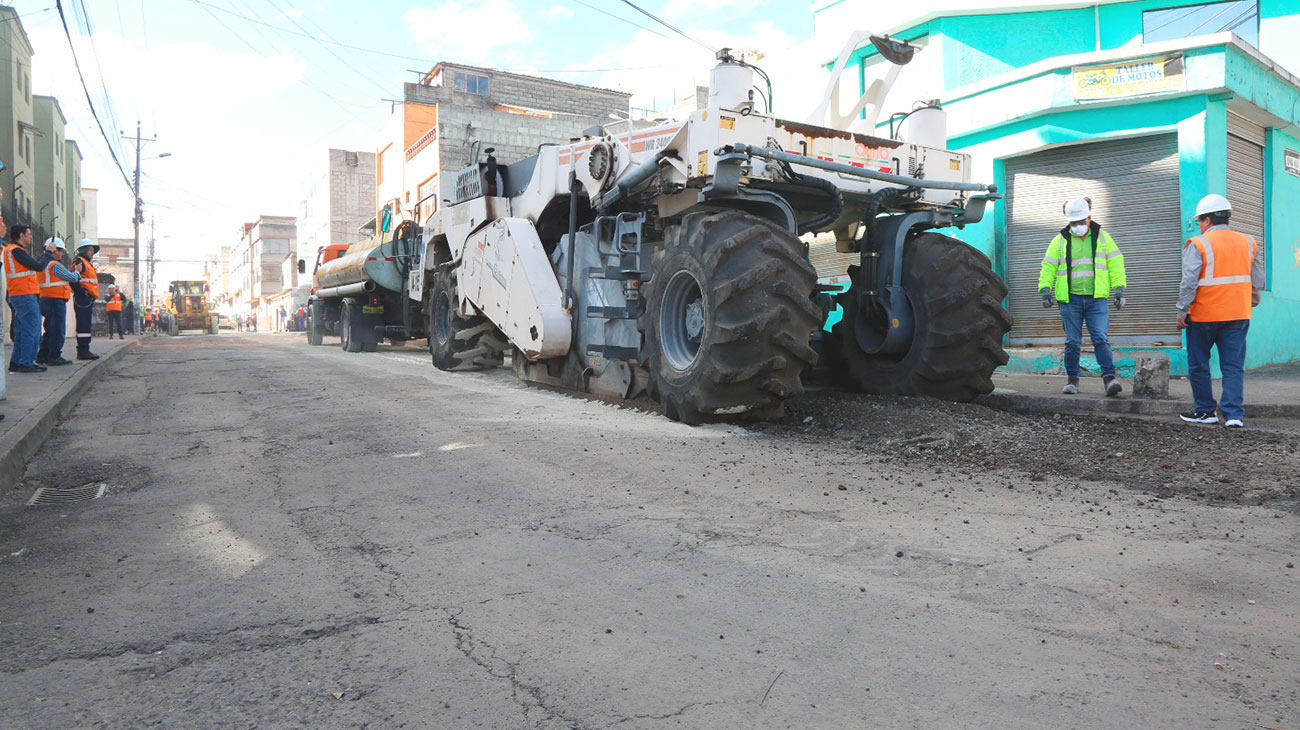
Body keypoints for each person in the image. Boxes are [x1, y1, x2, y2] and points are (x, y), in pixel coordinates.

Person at [1177, 194, 1265, 428]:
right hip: (1238, 314)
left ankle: (1206, 411)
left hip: (1204, 315)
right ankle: (1234, 415)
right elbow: (1257, 280)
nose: (1199, 226)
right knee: (1233, 365)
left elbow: (1189, 282)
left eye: (1198, 221)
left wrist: (1182, 310)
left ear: (1206, 220)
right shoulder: (1249, 242)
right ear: (1228, 216)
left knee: (1199, 363)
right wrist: (1251, 301)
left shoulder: (1198, 243)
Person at [1039, 197, 1127, 396]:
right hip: (1070, 300)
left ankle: (1110, 379)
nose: (1078, 226)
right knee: (1072, 341)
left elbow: (1116, 263)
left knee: (1100, 338)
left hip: (1096, 299)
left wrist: (1119, 288)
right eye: (1073, 223)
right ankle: (1072, 381)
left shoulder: (1103, 238)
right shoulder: (1060, 240)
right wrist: (1045, 288)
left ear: (1089, 217)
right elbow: (1049, 265)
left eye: (1081, 222)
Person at [4, 224, 48, 372]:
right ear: (21, 236)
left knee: (22, 330)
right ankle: (26, 362)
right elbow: (38, 266)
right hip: (24, 294)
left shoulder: (13, 250)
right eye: (29, 234)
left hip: (18, 294)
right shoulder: (16, 251)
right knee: (32, 328)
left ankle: (17, 362)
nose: (31, 237)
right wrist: (47, 253)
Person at [35, 237, 82, 366]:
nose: (62, 254)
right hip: (55, 300)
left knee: (50, 329)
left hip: (45, 298)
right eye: (61, 251)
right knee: (57, 330)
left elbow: (61, 276)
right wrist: (77, 271)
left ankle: (42, 356)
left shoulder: (43, 263)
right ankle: (54, 356)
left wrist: (70, 271)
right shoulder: (55, 265)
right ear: (55, 250)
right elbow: (72, 278)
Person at [69, 239, 101, 360]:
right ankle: (83, 351)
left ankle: (84, 349)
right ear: (83, 250)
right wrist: (81, 292)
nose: (92, 252)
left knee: (85, 325)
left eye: (93, 250)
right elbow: (73, 278)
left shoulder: (86, 263)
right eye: (90, 249)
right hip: (83, 298)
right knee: (83, 325)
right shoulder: (80, 262)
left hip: (87, 298)